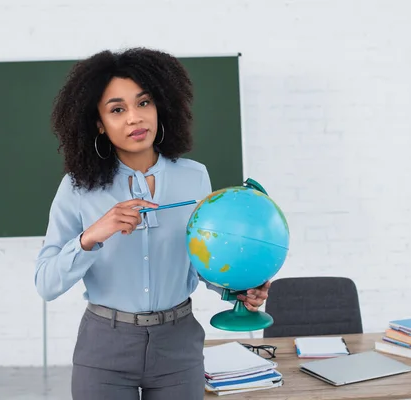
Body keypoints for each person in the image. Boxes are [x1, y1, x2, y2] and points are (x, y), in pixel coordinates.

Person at [34, 47, 272, 400]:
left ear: (161, 106)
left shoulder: (194, 177)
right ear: (99, 122)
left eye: (143, 103)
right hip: (105, 348)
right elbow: (46, 283)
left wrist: (236, 288)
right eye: (117, 109)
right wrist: (94, 234)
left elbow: (200, 260)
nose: (134, 118)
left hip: (178, 346)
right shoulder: (77, 187)